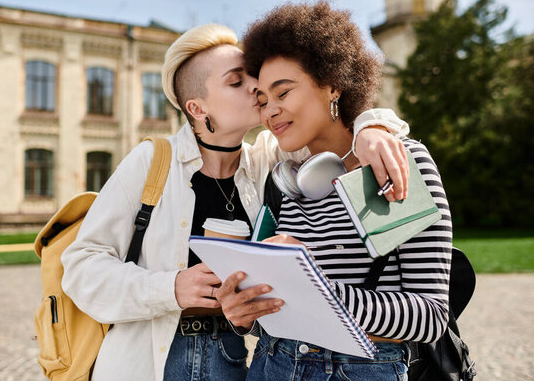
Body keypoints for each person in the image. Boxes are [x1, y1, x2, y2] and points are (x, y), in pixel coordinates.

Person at [60, 23, 410, 381]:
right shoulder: (152, 160)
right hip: (148, 360)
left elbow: (334, 129)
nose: (257, 88)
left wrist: (374, 125)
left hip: (232, 358)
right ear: (197, 108)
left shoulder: (268, 160)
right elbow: (81, 267)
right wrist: (171, 287)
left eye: (253, 77)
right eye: (236, 81)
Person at [216, 2, 453, 381]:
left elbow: (429, 316)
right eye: (262, 100)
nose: (270, 112)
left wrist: (313, 286)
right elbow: (278, 309)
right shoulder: (284, 181)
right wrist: (243, 313)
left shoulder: (394, 162)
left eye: (283, 93)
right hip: (272, 364)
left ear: (332, 84)